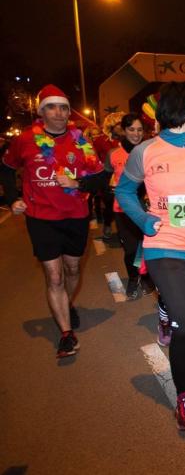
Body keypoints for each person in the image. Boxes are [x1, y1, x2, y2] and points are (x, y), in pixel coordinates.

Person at [115, 82, 185, 430]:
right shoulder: (146, 152)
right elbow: (124, 190)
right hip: (164, 246)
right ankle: (183, 395)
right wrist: (141, 218)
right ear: (182, 111)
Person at [0, 85, 107, 357]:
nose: (58, 112)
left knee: (72, 270)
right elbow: (6, 167)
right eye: (51, 106)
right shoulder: (25, 140)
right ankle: (66, 334)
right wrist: (12, 199)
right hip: (40, 217)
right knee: (54, 274)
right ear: (41, 111)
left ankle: (67, 305)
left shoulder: (81, 141)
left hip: (75, 216)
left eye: (63, 107)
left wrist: (77, 182)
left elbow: (100, 178)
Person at [104, 113, 155, 300]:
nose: (136, 133)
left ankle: (147, 277)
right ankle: (133, 278)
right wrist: (109, 191)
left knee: (149, 246)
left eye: (140, 130)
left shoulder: (150, 150)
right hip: (124, 209)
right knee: (131, 249)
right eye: (131, 129)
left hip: (148, 208)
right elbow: (105, 178)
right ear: (124, 131)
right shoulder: (114, 154)